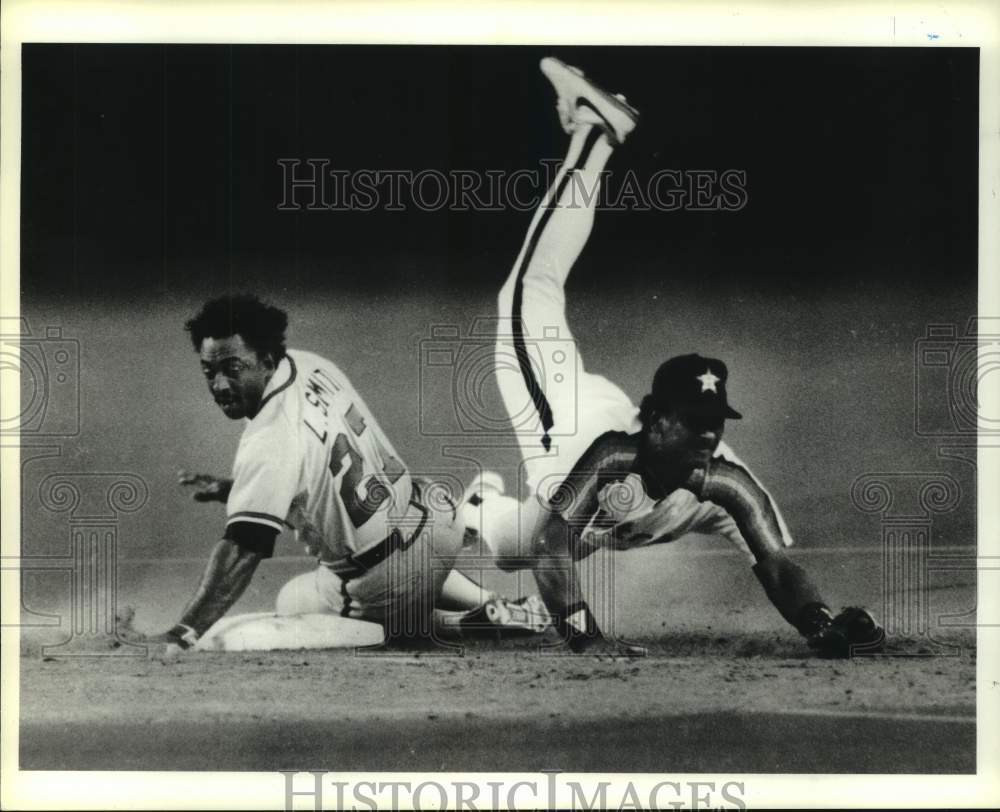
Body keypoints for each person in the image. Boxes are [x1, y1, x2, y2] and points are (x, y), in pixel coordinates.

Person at [464, 57, 884, 658]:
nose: (709, 437)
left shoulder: (724, 481)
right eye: (695, 424)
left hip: (607, 513)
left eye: (715, 424)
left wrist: (820, 622)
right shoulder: (607, 452)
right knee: (528, 291)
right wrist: (590, 641)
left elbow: (775, 561)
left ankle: (480, 504)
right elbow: (551, 550)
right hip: (561, 414)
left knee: (514, 545)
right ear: (656, 419)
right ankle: (596, 131)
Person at [151, 294, 548, 655]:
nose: (219, 384)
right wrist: (232, 489)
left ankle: (461, 623)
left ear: (267, 361)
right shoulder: (312, 365)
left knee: (296, 600)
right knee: (399, 548)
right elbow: (320, 475)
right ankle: (485, 598)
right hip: (438, 520)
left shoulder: (269, 439)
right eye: (208, 371)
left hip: (388, 577)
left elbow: (242, 550)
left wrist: (183, 632)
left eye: (233, 368)